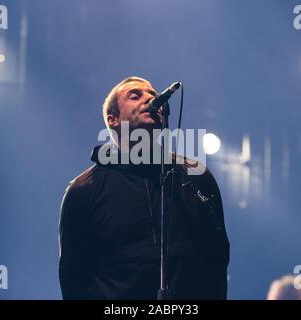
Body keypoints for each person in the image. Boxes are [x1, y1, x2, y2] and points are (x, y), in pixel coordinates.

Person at [58, 76, 229, 299]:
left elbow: (216, 257)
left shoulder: (196, 176)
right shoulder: (84, 191)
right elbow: (74, 277)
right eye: (135, 95)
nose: (150, 98)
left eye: (152, 94)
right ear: (113, 119)